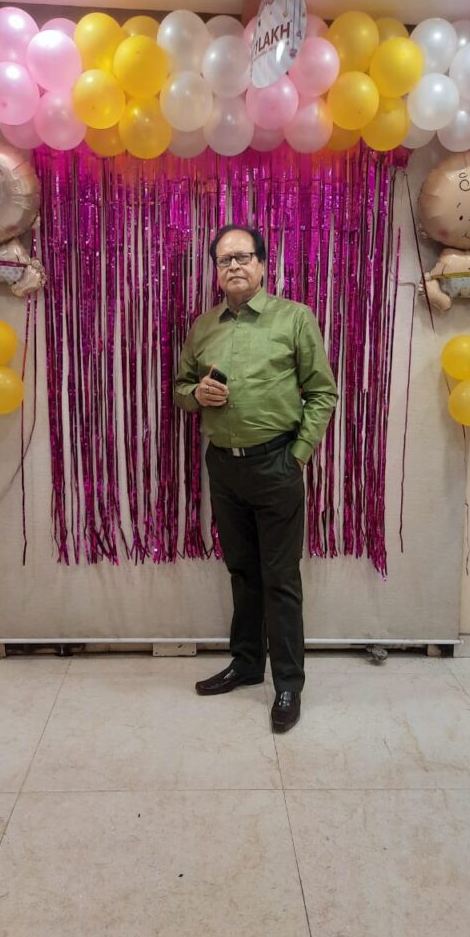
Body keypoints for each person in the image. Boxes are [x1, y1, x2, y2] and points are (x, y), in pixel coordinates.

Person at [174, 224, 338, 733]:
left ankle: (288, 683)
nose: (234, 266)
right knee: (242, 572)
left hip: (276, 465)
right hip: (224, 466)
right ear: (215, 271)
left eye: (243, 257)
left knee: (280, 579)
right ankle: (246, 665)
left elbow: (323, 392)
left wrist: (299, 455)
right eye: (224, 260)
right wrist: (195, 395)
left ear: (263, 264)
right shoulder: (204, 326)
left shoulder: (295, 318)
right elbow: (180, 387)